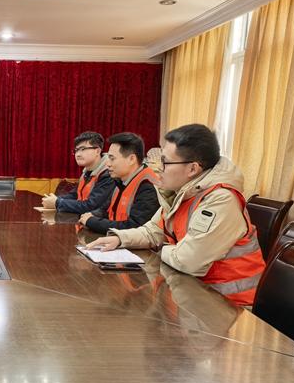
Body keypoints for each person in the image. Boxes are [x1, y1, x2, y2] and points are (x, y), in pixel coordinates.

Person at [87, 123, 265, 306]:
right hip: (193, 295)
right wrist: (119, 238)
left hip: (231, 306)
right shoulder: (182, 192)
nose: (158, 168)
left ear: (192, 169)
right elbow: (152, 231)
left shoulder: (220, 200)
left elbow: (188, 261)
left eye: (164, 162)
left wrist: (158, 247)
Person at [78, 132, 159, 233]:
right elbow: (106, 210)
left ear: (131, 159)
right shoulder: (121, 180)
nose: (107, 164)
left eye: (112, 158)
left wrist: (91, 221)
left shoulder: (147, 187)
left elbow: (134, 227)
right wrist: (92, 215)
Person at [41, 131, 114, 214]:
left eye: (83, 149)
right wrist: (55, 199)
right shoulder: (87, 171)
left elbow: (91, 206)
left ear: (97, 151)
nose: (78, 154)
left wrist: (58, 202)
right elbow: (75, 195)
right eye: (76, 150)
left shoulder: (109, 173)